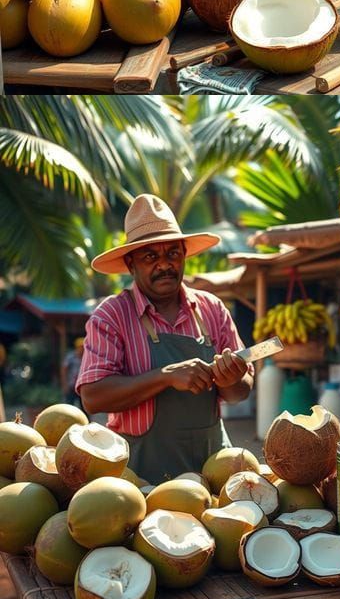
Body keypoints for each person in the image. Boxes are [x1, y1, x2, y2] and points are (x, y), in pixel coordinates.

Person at [77, 195, 253, 482]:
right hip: (139, 480)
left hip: (211, 473)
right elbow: (93, 397)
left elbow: (240, 393)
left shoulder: (211, 309)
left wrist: (230, 378)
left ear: (184, 255)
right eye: (150, 257)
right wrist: (165, 377)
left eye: (173, 253)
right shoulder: (111, 316)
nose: (164, 265)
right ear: (131, 264)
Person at [61, 338, 84, 408]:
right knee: (69, 405)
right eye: (80, 347)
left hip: (82, 386)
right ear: (77, 347)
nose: (82, 349)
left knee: (84, 407)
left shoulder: (85, 357)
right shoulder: (71, 357)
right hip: (71, 385)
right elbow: (64, 370)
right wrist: (65, 385)